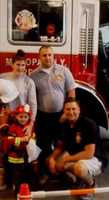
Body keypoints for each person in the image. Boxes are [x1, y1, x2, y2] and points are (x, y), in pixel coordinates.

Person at [0, 49, 37, 193]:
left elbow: (33, 104)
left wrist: (31, 124)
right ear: (12, 64)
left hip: (23, 122)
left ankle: (20, 183)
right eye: (18, 64)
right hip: (6, 120)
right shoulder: (3, 77)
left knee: (23, 153)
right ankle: (1, 182)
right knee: (0, 151)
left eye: (23, 65)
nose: (20, 68)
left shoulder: (29, 82)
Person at [30, 45, 76, 183]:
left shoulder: (64, 71)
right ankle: (45, 173)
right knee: (43, 145)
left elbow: (71, 92)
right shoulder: (33, 75)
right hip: (43, 117)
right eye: (44, 55)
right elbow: (32, 98)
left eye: (50, 54)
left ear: (53, 56)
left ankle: (62, 172)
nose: (47, 57)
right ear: (39, 57)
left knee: (61, 144)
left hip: (61, 116)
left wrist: (67, 113)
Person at [47, 97, 107, 200]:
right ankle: (75, 179)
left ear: (79, 110)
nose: (71, 112)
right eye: (68, 109)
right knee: (50, 162)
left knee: (79, 168)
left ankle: (90, 184)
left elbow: (89, 154)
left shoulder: (88, 124)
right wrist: (52, 159)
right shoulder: (65, 124)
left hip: (94, 158)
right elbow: (60, 146)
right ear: (64, 111)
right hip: (75, 155)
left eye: (74, 109)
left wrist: (65, 160)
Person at [0, 104, 40, 192]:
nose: (23, 119)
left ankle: (32, 190)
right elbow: (9, 140)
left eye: (25, 117)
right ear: (16, 117)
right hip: (16, 158)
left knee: (29, 173)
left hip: (27, 156)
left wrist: (32, 138)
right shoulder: (13, 128)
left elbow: (33, 137)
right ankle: (17, 191)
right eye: (21, 116)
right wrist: (21, 140)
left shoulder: (30, 127)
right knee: (17, 176)